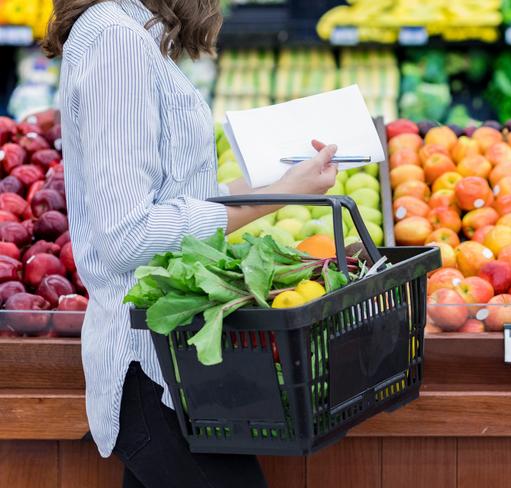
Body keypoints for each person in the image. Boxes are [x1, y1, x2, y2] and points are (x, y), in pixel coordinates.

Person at [42, 1, 338, 486]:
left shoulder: (128, 31)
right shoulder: (116, 42)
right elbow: (126, 235)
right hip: (149, 368)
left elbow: (173, 203)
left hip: (175, 363)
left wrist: (283, 186)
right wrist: (269, 203)